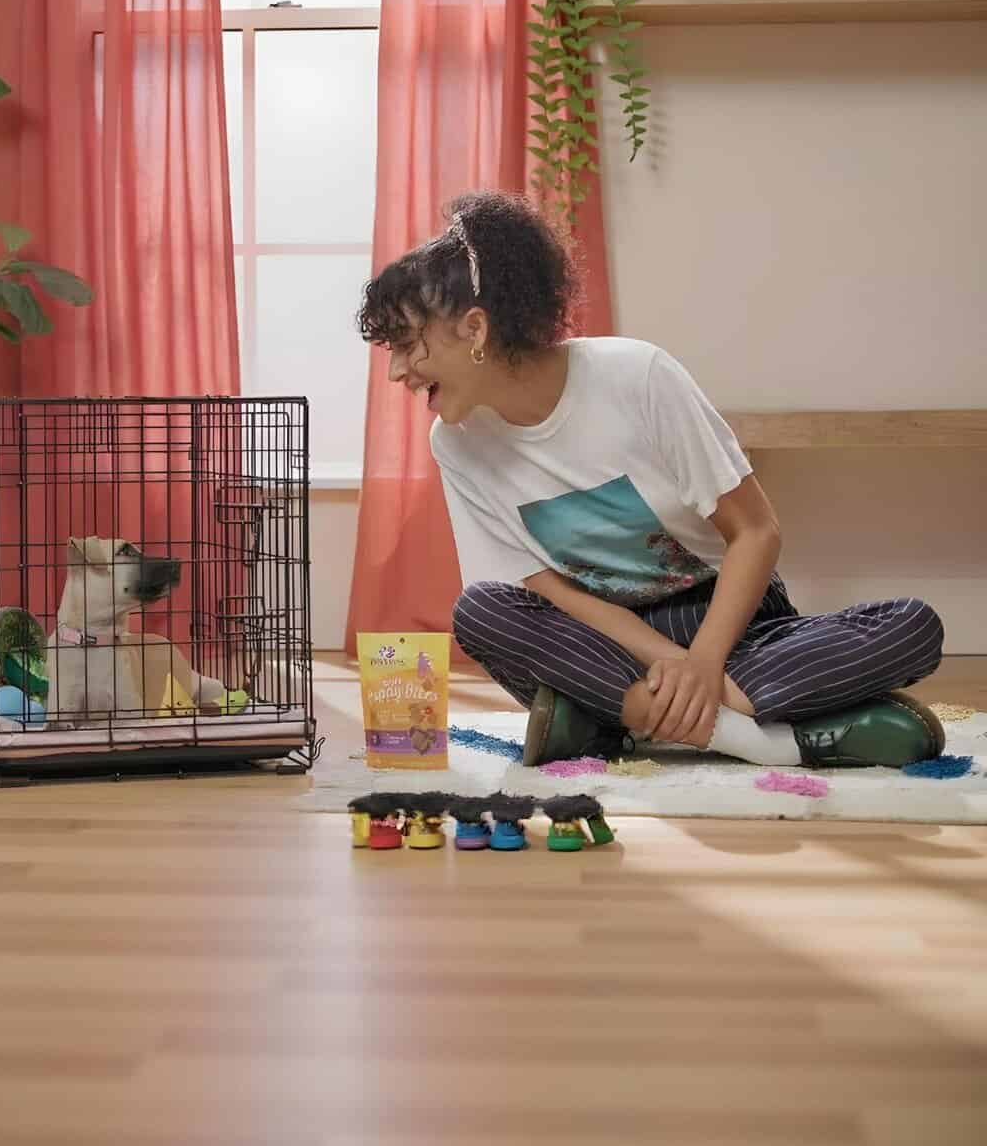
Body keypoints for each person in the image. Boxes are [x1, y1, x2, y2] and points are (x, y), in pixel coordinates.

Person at [356, 190, 946, 770]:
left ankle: (609, 721)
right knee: (482, 609)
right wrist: (674, 665)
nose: (396, 372)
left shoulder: (637, 376)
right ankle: (767, 742)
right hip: (607, 640)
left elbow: (756, 532)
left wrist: (705, 660)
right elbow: (549, 592)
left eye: (407, 346)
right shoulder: (456, 443)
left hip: (729, 620)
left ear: (475, 329)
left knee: (912, 626)